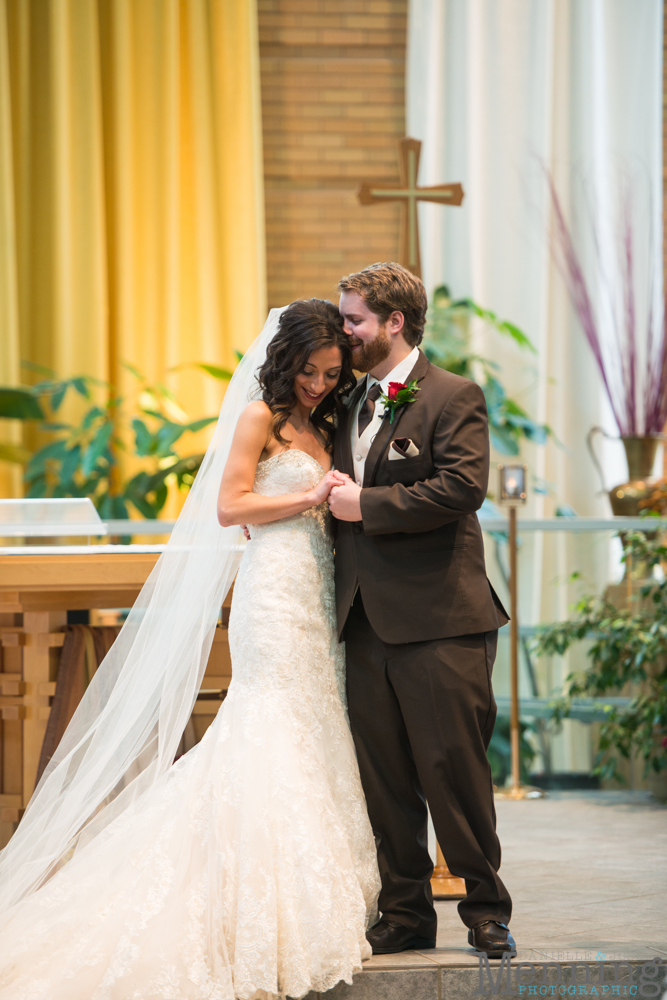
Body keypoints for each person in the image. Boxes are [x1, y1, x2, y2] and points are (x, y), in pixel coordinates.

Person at [0, 299, 380, 1000]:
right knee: (266, 721)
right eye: (307, 371)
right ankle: (247, 892)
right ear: (284, 360)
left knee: (314, 720)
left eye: (330, 373)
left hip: (316, 588)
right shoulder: (258, 418)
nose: (319, 384)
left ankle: (306, 874)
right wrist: (307, 502)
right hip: (271, 589)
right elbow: (229, 507)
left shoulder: (320, 421)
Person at [327, 261, 516, 959]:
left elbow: (461, 489)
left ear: (394, 321)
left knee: (451, 771)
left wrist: (364, 505)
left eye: (354, 320)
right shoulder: (347, 401)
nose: (344, 332)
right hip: (363, 619)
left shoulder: (451, 395)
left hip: (441, 619)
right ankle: (404, 914)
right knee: (384, 778)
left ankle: (486, 911)